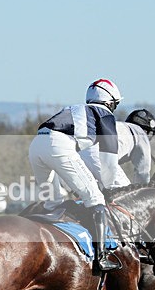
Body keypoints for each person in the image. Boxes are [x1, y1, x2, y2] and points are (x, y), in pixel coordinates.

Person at [28, 78, 122, 271]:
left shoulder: (75, 108)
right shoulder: (104, 114)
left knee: (52, 203)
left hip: (36, 144)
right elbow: (109, 160)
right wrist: (109, 187)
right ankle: (102, 257)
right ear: (110, 102)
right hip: (59, 145)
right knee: (96, 199)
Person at [111, 108, 155, 187]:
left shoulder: (117, 125)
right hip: (106, 161)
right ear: (146, 131)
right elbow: (142, 173)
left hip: (90, 156)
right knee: (126, 192)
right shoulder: (141, 134)